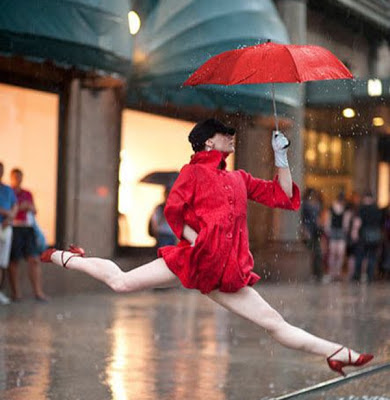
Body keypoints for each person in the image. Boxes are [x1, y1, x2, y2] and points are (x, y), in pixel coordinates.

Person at [41, 118, 373, 377]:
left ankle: (337, 353)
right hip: (192, 258)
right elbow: (173, 212)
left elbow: (283, 196)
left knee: (273, 322)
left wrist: (281, 156)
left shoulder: (239, 178)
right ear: (208, 141)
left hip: (224, 270)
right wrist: (196, 241)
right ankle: (67, 257)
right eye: (223, 133)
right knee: (122, 282)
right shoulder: (192, 172)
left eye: (231, 132)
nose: (231, 136)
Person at [9, 168, 47, 301]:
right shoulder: (9, 192)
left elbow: (34, 209)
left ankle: (38, 291)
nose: (18, 180)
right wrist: (20, 207)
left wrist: (29, 207)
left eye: (19, 177)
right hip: (15, 227)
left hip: (28, 228)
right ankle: (16, 293)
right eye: (15, 177)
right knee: (14, 261)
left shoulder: (27, 193)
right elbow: (9, 210)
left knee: (34, 259)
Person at [352, 191, 382, 283]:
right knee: (372, 256)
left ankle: (357, 275)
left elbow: (358, 222)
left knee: (360, 256)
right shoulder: (377, 209)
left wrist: (354, 232)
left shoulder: (362, 208)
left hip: (364, 235)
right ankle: (370, 276)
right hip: (375, 235)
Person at [0, 162, 17, 305]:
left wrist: (10, 217)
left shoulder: (7, 189)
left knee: (3, 262)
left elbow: (14, 206)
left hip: (5, 228)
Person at [301, 188, 324, 282]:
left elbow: (317, 217)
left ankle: (318, 274)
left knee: (317, 253)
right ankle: (312, 274)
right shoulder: (305, 205)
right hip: (309, 230)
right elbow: (303, 218)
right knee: (311, 252)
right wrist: (304, 229)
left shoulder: (316, 204)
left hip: (316, 231)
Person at [325, 192, 348, 281]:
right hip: (334, 231)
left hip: (340, 231)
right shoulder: (332, 208)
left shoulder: (344, 209)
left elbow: (345, 221)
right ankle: (332, 272)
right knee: (333, 253)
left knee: (339, 253)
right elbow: (328, 220)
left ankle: (337, 271)